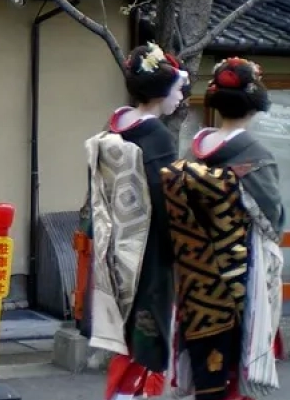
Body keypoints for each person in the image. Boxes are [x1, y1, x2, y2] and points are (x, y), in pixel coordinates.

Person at [162, 57, 286, 400]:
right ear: (255, 103)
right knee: (239, 366)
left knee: (209, 370)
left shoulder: (194, 153)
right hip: (241, 277)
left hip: (196, 279)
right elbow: (273, 224)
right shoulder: (257, 157)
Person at [84, 43, 189, 400]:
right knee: (147, 336)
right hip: (150, 251)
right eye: (178, 90)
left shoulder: (114, 128)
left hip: (115, 243)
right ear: (161, 92)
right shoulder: (157, 135)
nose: (180, 98)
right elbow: (166, 200)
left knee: (126, 334)